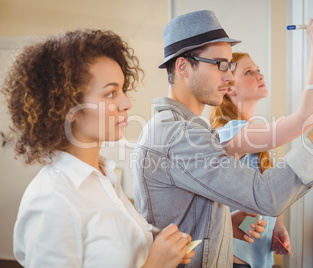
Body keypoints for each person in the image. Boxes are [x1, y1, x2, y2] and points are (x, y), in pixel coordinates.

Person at [130, 10, 313, 268]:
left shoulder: (179, 128)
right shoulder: (180, 135)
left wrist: (222, 225)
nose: (228, 77)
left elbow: (181, 216)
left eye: (229, 66)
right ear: (183, 66)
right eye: (220, 65)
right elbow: (266, 196)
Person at [3, 29, 195, 267]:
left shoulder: (104, 177)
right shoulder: (51, 201)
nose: (126, 103)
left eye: (122, 90)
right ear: (66, 108)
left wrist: (167, 250)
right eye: (110, 93)